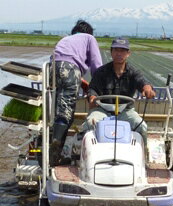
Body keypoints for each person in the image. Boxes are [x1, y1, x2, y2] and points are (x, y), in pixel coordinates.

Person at [50, 20, 103, 166]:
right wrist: (99, 86)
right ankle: (55, 153)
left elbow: (62, 62)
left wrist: (81, 81)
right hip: (71, 70)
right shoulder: (89, 38)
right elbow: (96, 65)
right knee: (66, 112)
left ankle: (52, 144)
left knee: (58, 107)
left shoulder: (65, 39)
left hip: (53, 68)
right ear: (88, 32)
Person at [84, 37, 155, 144]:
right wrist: (92, 97)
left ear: (128, 53)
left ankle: (144, 154)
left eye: (122, 51)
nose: (119, 53)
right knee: (89, 123)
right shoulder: (101, 72)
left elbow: (142, 82)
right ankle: (87, 155)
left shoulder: (133, 72)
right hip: (103, 110)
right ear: (111, 52)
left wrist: (147, 88)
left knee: (142, 126)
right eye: (116, 50)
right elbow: (93, 89)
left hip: (125, 111)